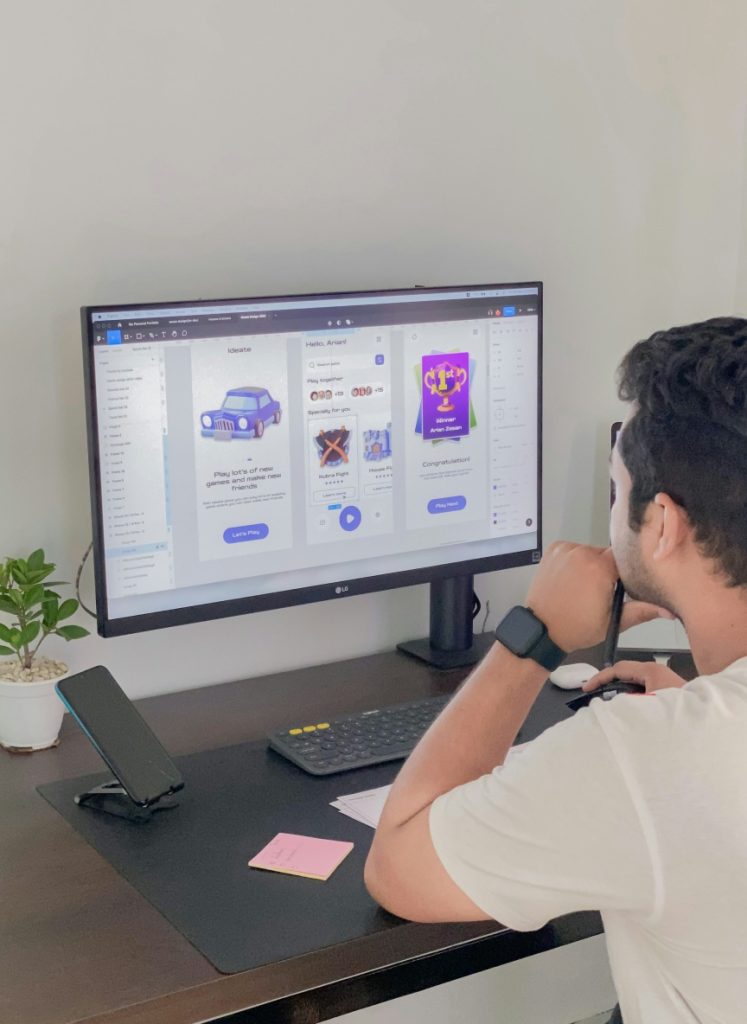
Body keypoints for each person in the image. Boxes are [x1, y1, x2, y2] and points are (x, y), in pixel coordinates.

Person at [365, 317, 747, 1023]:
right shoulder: (693, 734)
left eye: (615, 489)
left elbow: (397, 868)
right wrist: (700, 702)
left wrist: (531, 638)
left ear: (661, 524)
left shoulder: (655, 753)